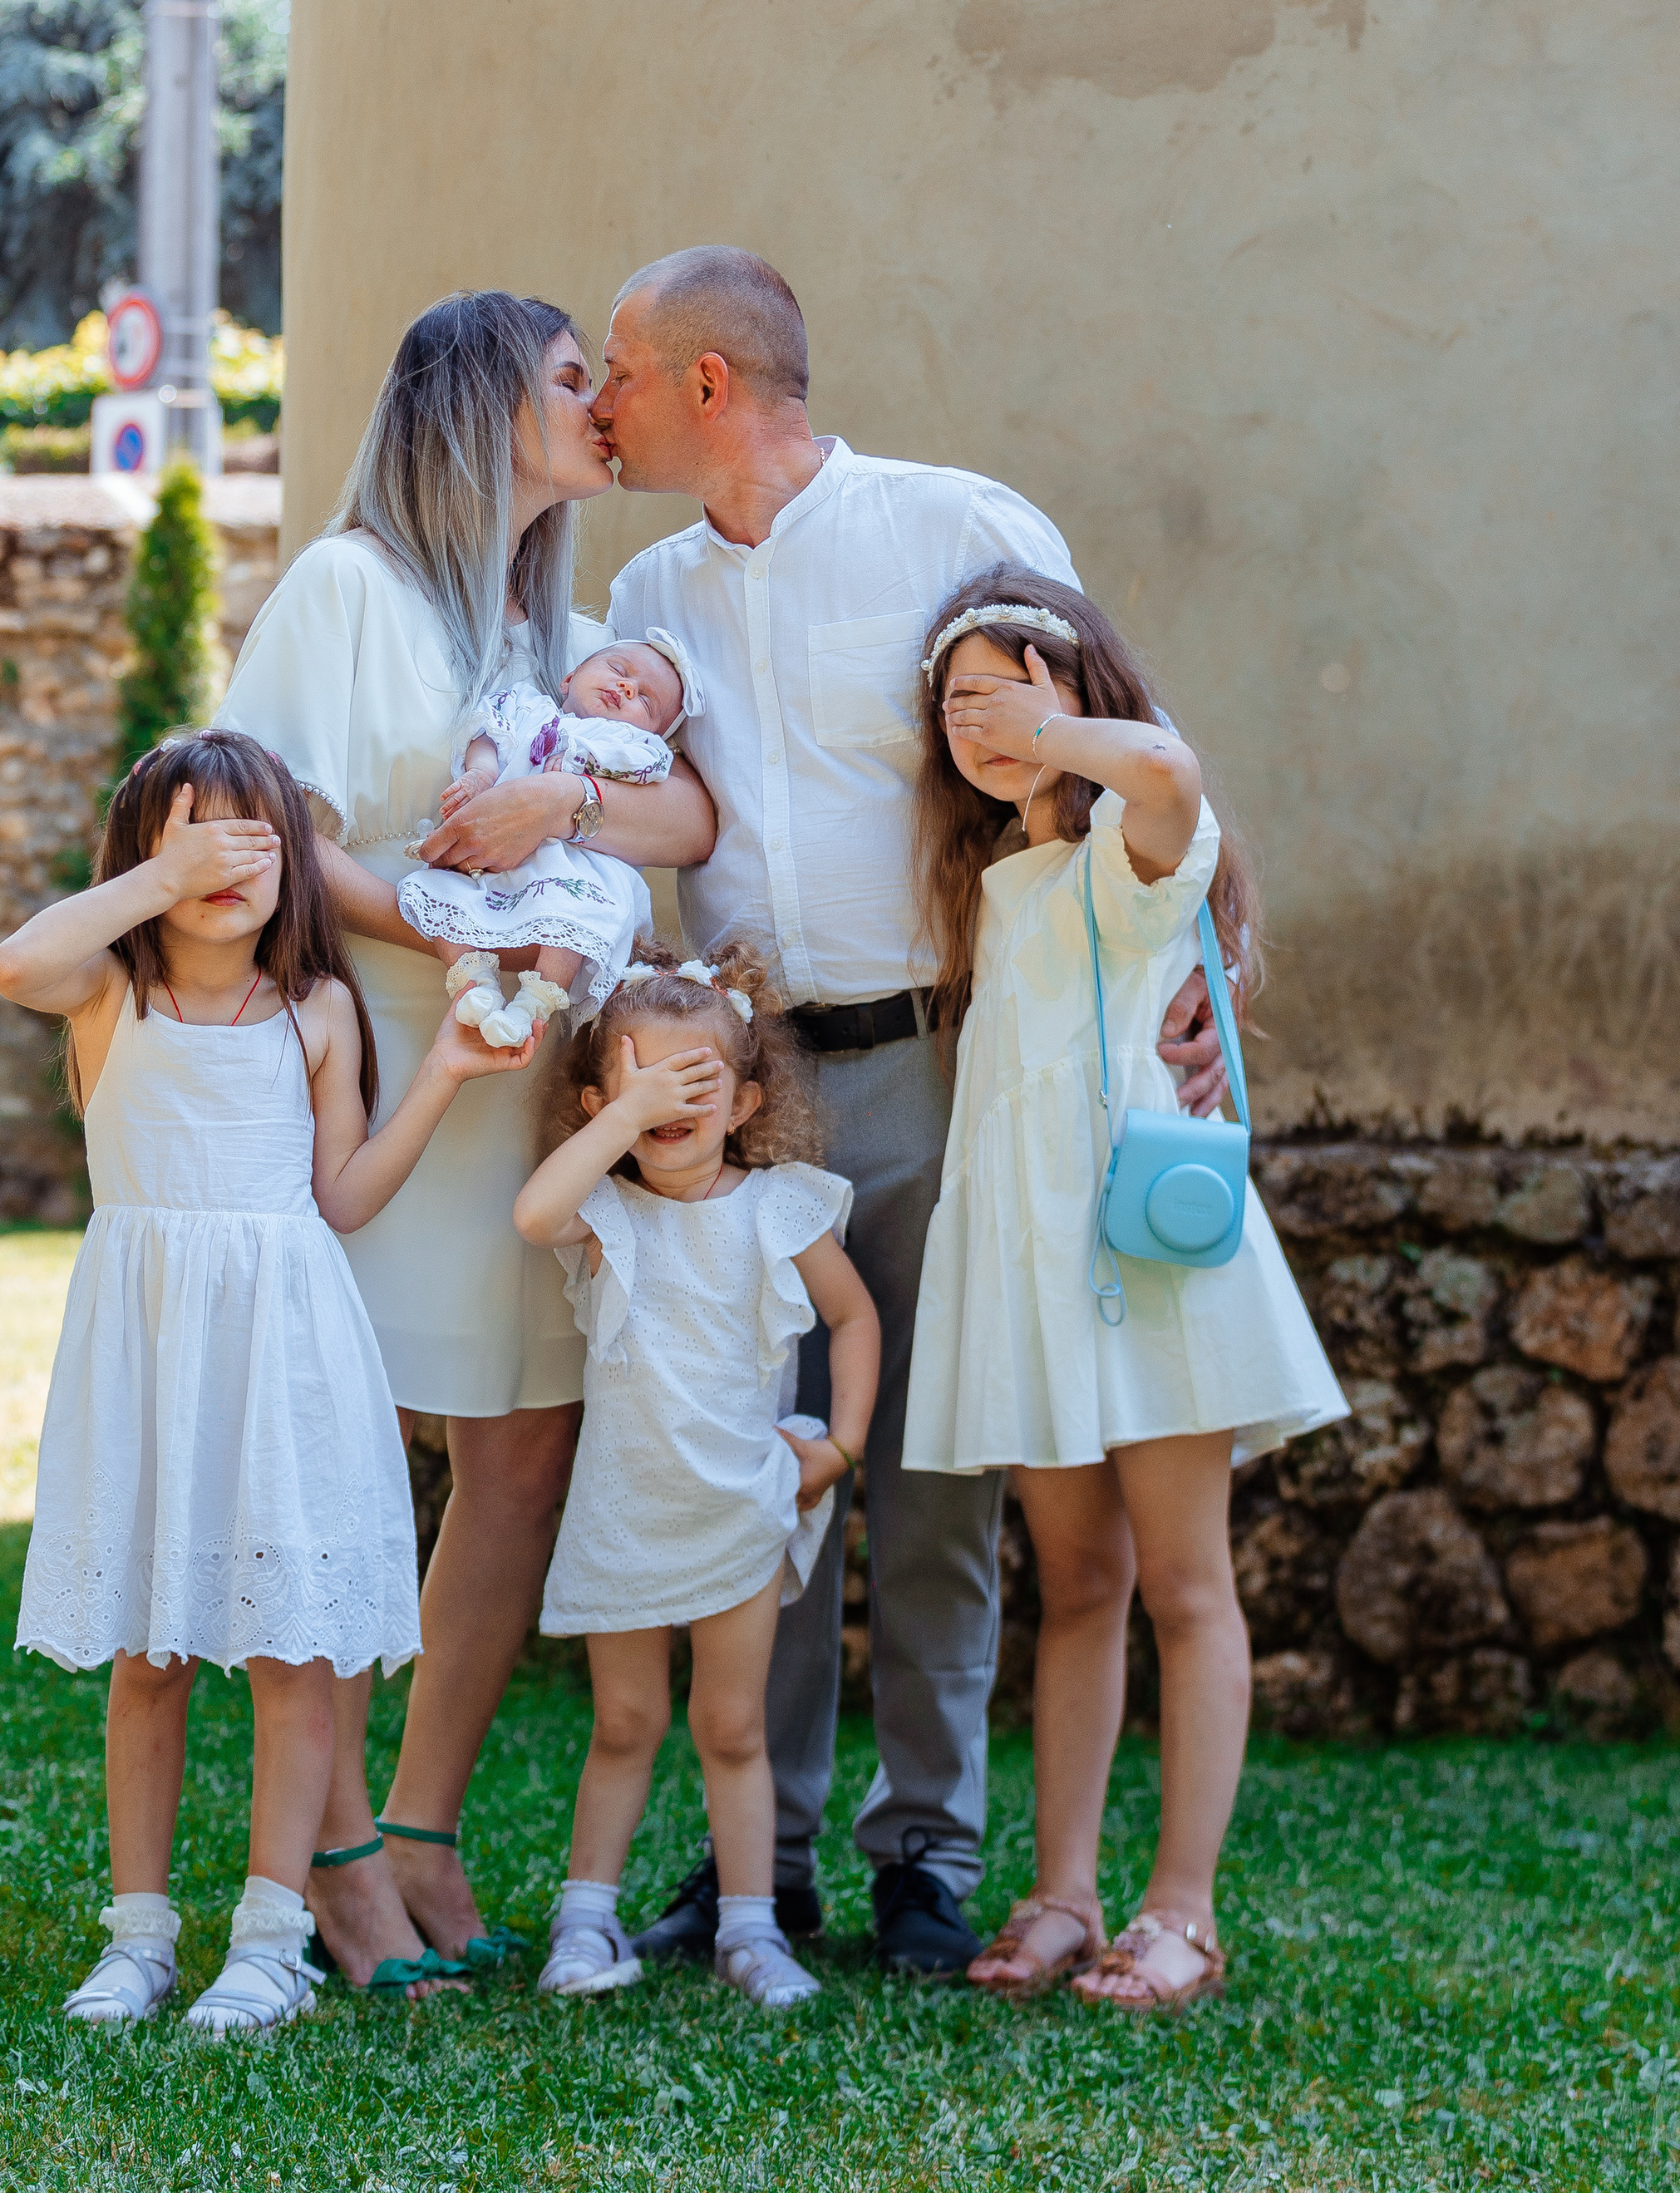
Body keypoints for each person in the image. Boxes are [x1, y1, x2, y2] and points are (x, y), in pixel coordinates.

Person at [593, 244, 1228, 1976]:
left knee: (945, 1465)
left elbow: (1114, 742)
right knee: (760, 1465)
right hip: (753, 1089)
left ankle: (924, 1859)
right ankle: (761, 1864)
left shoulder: (956, 525)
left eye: (616, 372)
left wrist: (1170, 988)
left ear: (704, 385)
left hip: (959, 1067)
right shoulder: (638, 601)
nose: (597, 402)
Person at [213, 293, 717, 1981]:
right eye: (571, 377)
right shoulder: (344, 590)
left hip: (534, 1087)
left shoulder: (537, 628)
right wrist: (449, 930)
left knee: (522, 1455)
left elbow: (666, 810)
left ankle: (423, 1827)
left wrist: (549, 858)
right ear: (474, 401)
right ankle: (334, 1854)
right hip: (397, 1079)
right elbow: (268, 820)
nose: (601, 403)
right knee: (346, 1471)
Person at [0, 728, 535, 2031]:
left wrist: (450, 1075)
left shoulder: (317, 1010)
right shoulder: (108, 997)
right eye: (190, 837)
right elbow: (21, 959)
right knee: (152, 1650)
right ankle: (137, 1938)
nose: (220, 863)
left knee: (294, 1654)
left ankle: (271, 1936)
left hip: (287, 1350)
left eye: (249, 840)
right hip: (152, 1351)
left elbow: (341, 1195)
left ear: (293, 864)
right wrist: (155, 878)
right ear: (143, 859)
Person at [904, 572, 1345, 2008]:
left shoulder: (1131, 846)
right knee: (1076, 1584)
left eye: (1004, 688)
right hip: (1037, 1275)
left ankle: (1182, 1911)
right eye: (954, 700)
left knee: (1185, 1585)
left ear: (1071, 686)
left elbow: (1162, 763)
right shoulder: (991, 881)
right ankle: (1064, 1893)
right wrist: (1023, 736)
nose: (977, 721)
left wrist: (1057, 726)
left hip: (1148, 1273)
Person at [511, 942, 878, 2009]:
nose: (668, 1102)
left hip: (739, 1508)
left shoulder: (777, 1207)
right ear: (595, 1101)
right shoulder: (602, 1216)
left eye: (696, 1081)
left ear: (747, 1097)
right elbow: (533, 1215)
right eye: (639, 1082)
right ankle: (585, 1923)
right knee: (624, 1724)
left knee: (733, 1727)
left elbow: (853, 1317)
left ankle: (750, 1934)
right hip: (626, 1512)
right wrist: (619, 1129)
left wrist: (840, 1444)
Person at [397, 630, 702, 1045]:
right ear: (569, 678)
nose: (626, 687)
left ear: (655, 734)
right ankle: (473, 981)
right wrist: (481, 774)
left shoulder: (629, 744)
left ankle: (534, 1004)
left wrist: (580, 763)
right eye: (618, 670)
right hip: (489, 848)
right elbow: (486, 732)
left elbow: (641, 767)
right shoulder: (526, 706)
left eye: (645, 701)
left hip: (571, 860)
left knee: (574, 915)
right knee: (439, 892)